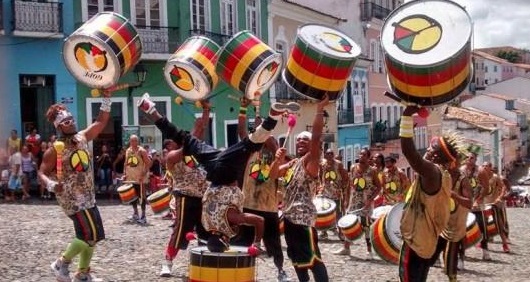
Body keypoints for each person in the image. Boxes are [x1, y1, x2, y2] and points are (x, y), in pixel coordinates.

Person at [138, 93, 301, 253]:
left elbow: (259, 221)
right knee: (181, 137)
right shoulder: (208, 224)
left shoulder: (230, 221)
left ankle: (272, 116)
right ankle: (150, 109)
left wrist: (257, 243)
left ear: (225, 240)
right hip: (212, 166)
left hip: (225, 172)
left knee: (251, 144)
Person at [38, 93, 111, 282]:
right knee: (91, 234)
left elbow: (101, 122)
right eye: (66, 121)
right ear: (59, 125)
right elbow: (42, 173)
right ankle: (61, 263)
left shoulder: (83, 137)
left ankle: (83, 274)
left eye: (71, 119)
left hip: (89, 196)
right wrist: (52, 185)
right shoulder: (54, 149)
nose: (70, 122)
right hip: (72, 200)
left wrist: (106, 98)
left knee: (92, 237)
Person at [398, 105, 465, 282]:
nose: (425, 153)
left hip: (416, 241)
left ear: (435, 157)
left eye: (428, 151)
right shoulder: (445, 177)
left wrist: (406, 117)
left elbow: (409, 153)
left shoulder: (432, 173)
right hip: (426, 242)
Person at [230, 97, 290, 282]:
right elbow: (241, 131)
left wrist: (267, 133)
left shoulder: (277, 155)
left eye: (268, 136)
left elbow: (272, 143)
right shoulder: (250, 151)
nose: (265, 138)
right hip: (248, 204)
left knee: (274, 244)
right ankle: (238, 271)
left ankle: (280, 270)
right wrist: (242, 108)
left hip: (269, 207)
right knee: (241, 242)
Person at [275, 96, 330, 282]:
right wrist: (277, 158)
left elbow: (316, 136)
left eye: (304, 140)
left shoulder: (311, 161)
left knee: (313, 260)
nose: (300, 142)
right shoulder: (293, 164)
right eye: (298, 140)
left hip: (303, 218)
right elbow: (272, 175)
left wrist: (319, 109)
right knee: (297, 261)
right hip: (290, 219)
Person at [159, 100, 211, 277]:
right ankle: (167, 262)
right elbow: (193, 139)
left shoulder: (191, 151)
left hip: (203, 196)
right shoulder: (172, 157)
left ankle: (205, 263)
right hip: (185, 197)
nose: (177, 143)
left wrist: (206, 109)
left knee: (206, 230)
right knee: (180, 230)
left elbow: (201, 130)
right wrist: (195, 129)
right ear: (168, 147)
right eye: (173, 142)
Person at [430, 152, 472, 281]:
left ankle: (452, 278)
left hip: (456, 224)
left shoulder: (463, 180)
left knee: (451, 254)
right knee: (430, 253)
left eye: (451, 162)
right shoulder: (442, 177)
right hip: (442, 221)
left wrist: (454, 195)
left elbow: (469, 203)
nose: (448, 165)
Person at [334, 147, 382, 258]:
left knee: (366, 225)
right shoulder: (353, 168)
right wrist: (346, 199)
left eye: (364, 155)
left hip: (366, 201)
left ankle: (369, 251)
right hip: (354, 200)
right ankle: (346, 247)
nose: (361, 156)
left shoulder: (372, 171)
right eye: (360, 154)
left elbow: (379, 187)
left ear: (368, 157)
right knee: (348, 223)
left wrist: (370, 200)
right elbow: (349, 185)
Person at [317, 148, 348, 240]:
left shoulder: (338, 164)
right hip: (325, 192)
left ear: (333, 155)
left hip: (336, 193)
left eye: (331, 153)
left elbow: (344, 176)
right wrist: (320, 186)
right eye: (327, 154)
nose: (329, 155)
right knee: (324, 212)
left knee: (338, 213)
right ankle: (324, 231)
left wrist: (342, 188)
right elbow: (320, 176)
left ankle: (341, 232)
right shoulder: (322, 164)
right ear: (325, 155)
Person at [482, 163, 510, 253]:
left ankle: (505, 243)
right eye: (483, 166)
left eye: (486, 166)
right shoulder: (481, 177)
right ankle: (483, 244)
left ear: (490, 168)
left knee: (499, 224)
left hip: (494, 204)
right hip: (484, 205)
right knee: (484, 225)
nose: (484, 167)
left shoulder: (495, 177)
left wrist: (499, 198)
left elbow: (503, 188)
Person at [123, 134, 151, 224]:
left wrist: (143, 174)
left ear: (137, 141)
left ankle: (143, 215)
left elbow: (148, 163)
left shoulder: (141, 151)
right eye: (132, 141)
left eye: (135, 140)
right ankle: (135, 213)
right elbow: (126, 162)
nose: (133, 142)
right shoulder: (128, 150)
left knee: (141, 196)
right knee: (132, 196)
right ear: (130, 142)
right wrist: (124, 173)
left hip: (140, 178)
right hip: (131, 177)